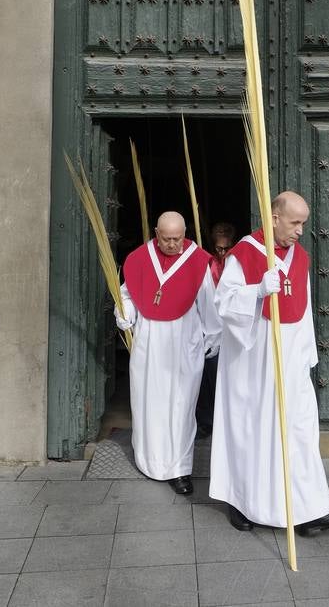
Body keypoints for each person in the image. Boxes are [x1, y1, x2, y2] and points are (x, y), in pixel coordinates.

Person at [209, 191, 329, 535]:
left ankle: (309, 509)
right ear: (274, 217)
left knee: (300, 431)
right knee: (253, 431)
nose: (300, 230)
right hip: (254, 359)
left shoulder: (300, 257)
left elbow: (303, 308)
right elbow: (224, 303)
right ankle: (241, 501)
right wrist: (257, 291)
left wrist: (307, 353)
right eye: (295, 222)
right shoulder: (245, 252)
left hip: (291, 358)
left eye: (303, 223)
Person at [114, 211, 221, 495]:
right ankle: (149, 461)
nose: (173, 244)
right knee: (149, 403)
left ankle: (179, 469)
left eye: (178, 238)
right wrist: (124, 312)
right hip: (149, 345)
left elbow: (208, 303)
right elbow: (128, 294)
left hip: (185, 344)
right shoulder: (138, 259)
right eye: (166, 239)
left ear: (185, 233)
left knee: (181, 407)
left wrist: (213, 336)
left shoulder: (198, 261)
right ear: (155, 233)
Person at [196, 222, 237, 438]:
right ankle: (206, 421)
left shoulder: (236, 263)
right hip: (210, 327)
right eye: (218, 248)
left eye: (226, 248)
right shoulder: (207, 264)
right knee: (206, 375)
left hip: (231, 327)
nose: (222, 252)